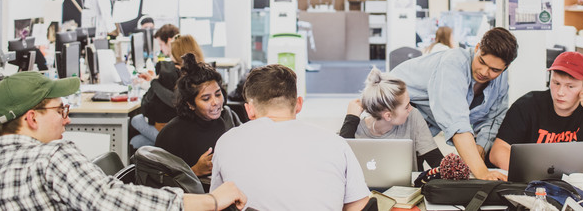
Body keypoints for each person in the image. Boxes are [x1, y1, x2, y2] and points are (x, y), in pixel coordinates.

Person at [0, 71, 246, 210]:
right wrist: (211, 201)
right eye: (60, 110)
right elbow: (112, 202)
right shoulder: (50, 158)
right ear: (31, 118)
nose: (67, 119)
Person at [210, 64, 370, 211]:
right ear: (299, 104)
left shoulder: (226, 142)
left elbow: (216, 203)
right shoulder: (336, 144)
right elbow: (359, 206)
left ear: (249, 110)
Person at [390, 27, 518, 181]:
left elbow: (493, 119)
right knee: (397, 179)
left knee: (419, 179)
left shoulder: (501, 79)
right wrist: (482, 172)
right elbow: (457, 123)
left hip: (424, 128)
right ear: (477, 48)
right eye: (482, 62)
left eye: (494, 69)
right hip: (393, 114)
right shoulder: (453, 63)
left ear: (506, 67)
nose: (484, 72)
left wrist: (479, 149)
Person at [488, 51, 583, 172]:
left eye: (570, 86)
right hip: (529, 185)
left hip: (572, 188)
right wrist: (534, 176)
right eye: (556, 83)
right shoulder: (528, 105)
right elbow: (497, 153)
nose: (560, 92)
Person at [156, 53, 242, 179]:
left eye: (218, 94)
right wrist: (195, 171)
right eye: (206, 98)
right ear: (190, 104)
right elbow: (158, 181)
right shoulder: (173, 134)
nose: (216, 102)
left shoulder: (224, 120)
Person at [339, 67, 443, 170]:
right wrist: (350, 119)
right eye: (406, 106)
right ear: (388, 115)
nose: (411, 108)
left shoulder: (413, 116)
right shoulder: (353, 127)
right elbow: (338, 164)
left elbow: (437, 162)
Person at [131, 34, 203, 149]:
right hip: (192, 129)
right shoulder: (200, 71)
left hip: (182, 133)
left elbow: (174, 99)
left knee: (135, 120)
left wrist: (154, 82)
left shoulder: (178, 74)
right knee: (137, 141)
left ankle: (170, 146)